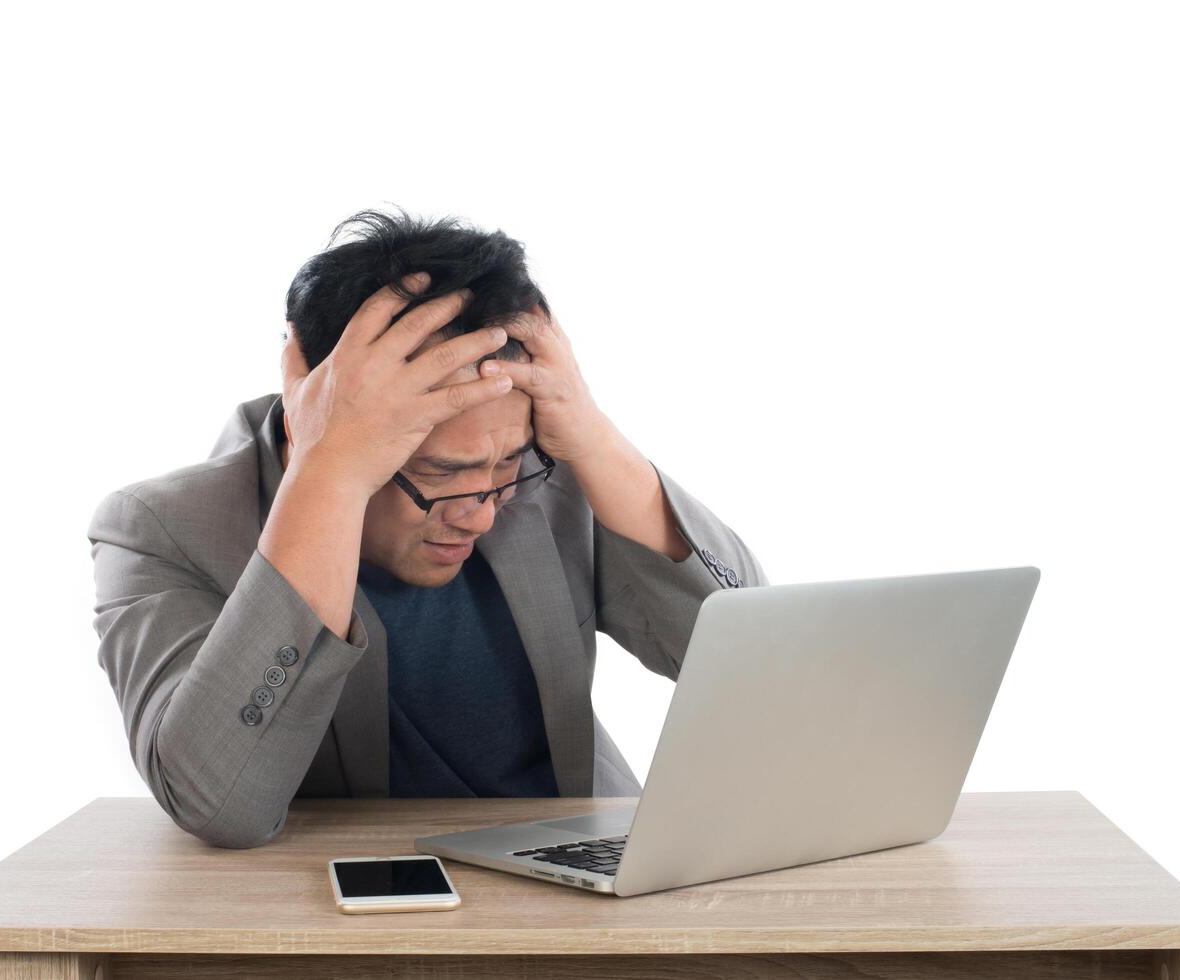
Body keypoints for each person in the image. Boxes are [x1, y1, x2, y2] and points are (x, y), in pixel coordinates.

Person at [88, 208, 767, 848]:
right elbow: (218, 804)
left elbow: (752, 663)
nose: (481, 510)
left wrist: (590, 435)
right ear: (313, 402)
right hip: (345, 918)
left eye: (505, 464)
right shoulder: (162, 528)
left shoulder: (546, 472)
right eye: (438, 474)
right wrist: (332, 475)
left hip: (582, 888)